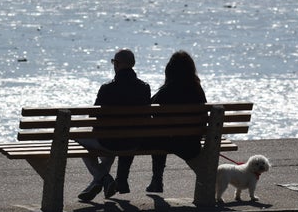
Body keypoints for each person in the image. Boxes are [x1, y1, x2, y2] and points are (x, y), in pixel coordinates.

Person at [77, 48, 150, 202]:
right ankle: (96, 183)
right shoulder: (144, 88)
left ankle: (103, 178)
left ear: (116, 64)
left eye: (113, 62)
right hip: (133, 142)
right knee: (110, 143)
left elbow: (93, 115)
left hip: (108, 142)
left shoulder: (107, 88)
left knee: (78, 138)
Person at [147, 50, 206, 193]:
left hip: (169, 141)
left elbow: (148, 109)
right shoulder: (197, 90)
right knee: (162, 133)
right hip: (191, 143)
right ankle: (206, 179)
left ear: (170, 70)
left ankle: (157, 180)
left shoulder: (166, 91)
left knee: (159, 134)